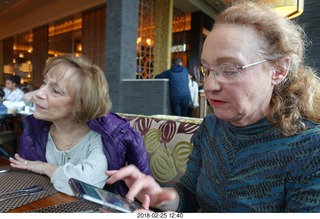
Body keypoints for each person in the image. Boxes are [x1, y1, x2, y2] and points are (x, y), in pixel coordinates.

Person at [105, 1, 320, 212]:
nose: (209, 85)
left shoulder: (310, 147)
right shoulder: (211, 127)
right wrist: (162, 197)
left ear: (279, 70)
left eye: (229, 69)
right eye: (206, 70)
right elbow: (190, 194)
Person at [9, 54, 152, 197]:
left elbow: (84, 184)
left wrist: (45, 167)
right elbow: (25, 178)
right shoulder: (36, 129)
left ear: (80, 106)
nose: (39, 93)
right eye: (44, 83)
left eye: (55, 90)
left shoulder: (101, 137)